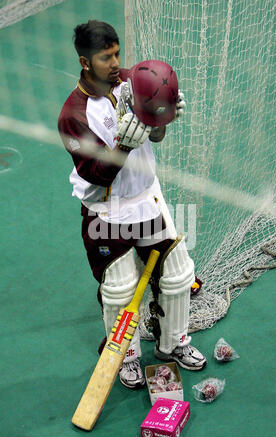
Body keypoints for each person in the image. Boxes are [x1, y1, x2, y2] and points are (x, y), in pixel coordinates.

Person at [58, 19, 206, 390]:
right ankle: (126, 357)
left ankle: (174, 343)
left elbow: (154, 135)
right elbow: (95, 173)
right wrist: (122, 145)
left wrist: (164, 117)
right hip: (106, 211)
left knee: (177, 277)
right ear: (85, 62)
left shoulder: (134, 81)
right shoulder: (72, 115)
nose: (115, 63)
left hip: (147, 199)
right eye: (105, 57)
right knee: (120, 291)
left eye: (117, 53)